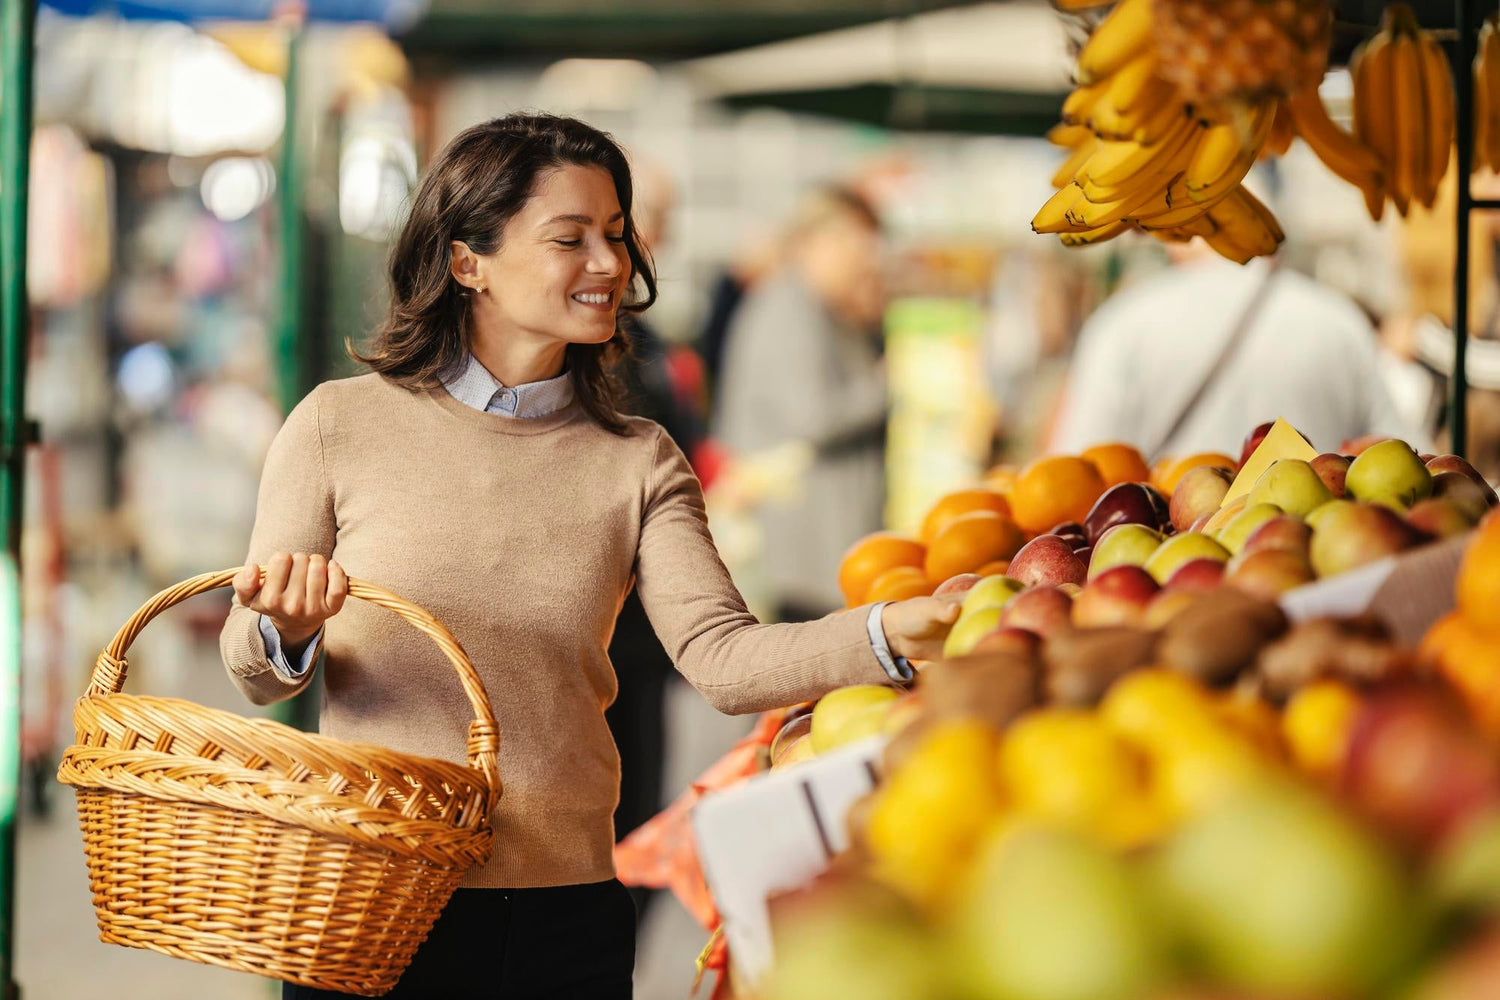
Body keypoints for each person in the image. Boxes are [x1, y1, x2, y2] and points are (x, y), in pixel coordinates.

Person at [218, 114, 959, 1000]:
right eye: (570, 239)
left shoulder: (637, 458)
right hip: (368, 899)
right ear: (468, 262)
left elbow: (722, 659)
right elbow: (251, 667)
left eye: (615, 234)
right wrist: (287, 627)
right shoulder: (337, 425)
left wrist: (892, 632)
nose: (610, 262)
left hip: (562, 918)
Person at [1049, 240, 1417, 457]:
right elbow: (1400, 452)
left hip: (1167, 560)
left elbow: (1077, 466)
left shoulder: (1121, 323)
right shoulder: (1339, 319)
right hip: (1320, 557)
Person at [714, 187, 890, 620]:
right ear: (814, 242)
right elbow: (813, 416)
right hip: (801, 556)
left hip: (815, 551)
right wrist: (890, 386)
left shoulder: (821, 309)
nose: (867, 260)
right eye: (857, 245)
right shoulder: (789, 311)